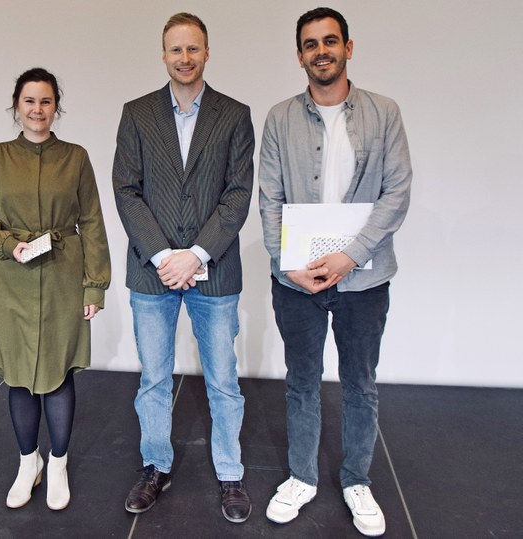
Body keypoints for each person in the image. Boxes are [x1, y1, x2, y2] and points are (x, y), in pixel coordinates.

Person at [258, 7, 412, 537]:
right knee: (301, 382)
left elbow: (396, 193)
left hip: (363, 279)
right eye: (310, 44)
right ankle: (302, 476)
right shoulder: (279, 118)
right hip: (297, 281)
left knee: (360, 384)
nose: (320, 51)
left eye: (329, 41)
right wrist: (287, 263)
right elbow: (270, 198)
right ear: (299, 55)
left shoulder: (384, 113)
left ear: (348, 47)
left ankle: (356, 481)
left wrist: (350, 256)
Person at [112, 12, 255, 524]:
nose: (185, 57)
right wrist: (162, 255)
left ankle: (231, 473)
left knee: (223, 381)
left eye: (193, 48)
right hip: (151, 272)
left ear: (207, 52)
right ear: (164, 55)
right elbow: (126, 191)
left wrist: (195, 254)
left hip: (214, 269)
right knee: (154, 379)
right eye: (176, 49)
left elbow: (238, 194)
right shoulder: (136, 113)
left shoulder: (235, 115)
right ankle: (156, 466)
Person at [0, 67, 111, 511]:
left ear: (56, 107)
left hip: (64, 277)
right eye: (29, 101)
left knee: (58, 372)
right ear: (17, 106)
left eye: (46, 101)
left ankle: (59, 464)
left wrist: (94, 287)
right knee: (19, 376)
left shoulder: (76, 157)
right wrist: (6, 244)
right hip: (11, 280)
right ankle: (28, 463)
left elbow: (92, 221)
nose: (37, 109)